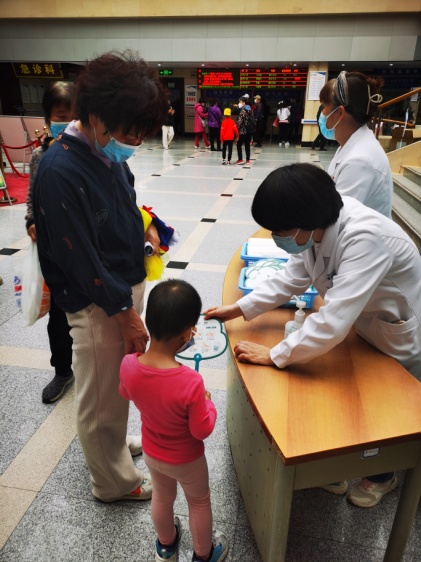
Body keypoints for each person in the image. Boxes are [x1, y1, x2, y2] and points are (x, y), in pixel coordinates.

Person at [205, 162, 421, 508]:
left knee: (387, 406)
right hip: (365, 322)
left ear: (305, 221)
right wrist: (241, 307)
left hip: (398, 333)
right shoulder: (314, 230)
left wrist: (275, 354)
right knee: (353, 397)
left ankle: (384, 475)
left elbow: (332, 321)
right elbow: (290, 279)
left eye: (280, 229)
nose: (276, 236)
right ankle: (338, 465)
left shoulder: (365, 238)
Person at [32, 50, 170, 502]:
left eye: (139, 135)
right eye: (128, 134)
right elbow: (81, 260)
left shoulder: (104, 151)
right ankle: (111, 482)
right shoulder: (60, 169)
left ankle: (113, 443)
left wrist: (147, 227)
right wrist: (126, 314)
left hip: (121, 287)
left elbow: (123, 206)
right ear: (96, 118)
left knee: (116, 383)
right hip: (98, 301)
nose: (133, 144)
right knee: (98, 394)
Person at [119, 279, 228, 562]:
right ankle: (204, 554)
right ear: (186, 334)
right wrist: (208, 403)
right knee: (199, 501)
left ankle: (166, 546)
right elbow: (201, 429)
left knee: (162, 497)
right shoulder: (191, 381)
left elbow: (125, 392)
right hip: (187, 460)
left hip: (153, 453)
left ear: (149, 322)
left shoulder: (129, 364)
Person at [25, 81, 76, 404]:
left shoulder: (90, 154)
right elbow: (32, 197)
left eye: (74, 116)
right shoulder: (39, 157)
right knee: (59, 317)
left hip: (86, 251)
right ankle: (62, 370)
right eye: (60, 116)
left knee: (89, 315)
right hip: (54, 253)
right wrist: (31, 222)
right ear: (47, 119)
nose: (67, 123)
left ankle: (91, 363)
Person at [319, 70, 392, 217]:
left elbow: (336, 219)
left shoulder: (360, 161)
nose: (322, 113)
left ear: (340, 113)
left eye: (324, 106)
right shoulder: (350, 145)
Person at [234, 97, 254, 165]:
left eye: (240, 102)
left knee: (239, 144)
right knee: (247, 145)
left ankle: (240, 159)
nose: (239, 103)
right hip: (249, 130)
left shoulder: (243, 110)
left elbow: (240, 121)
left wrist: (237, 127)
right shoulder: (250, 109)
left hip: (242, 131)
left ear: (243, 102)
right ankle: (248, 160)